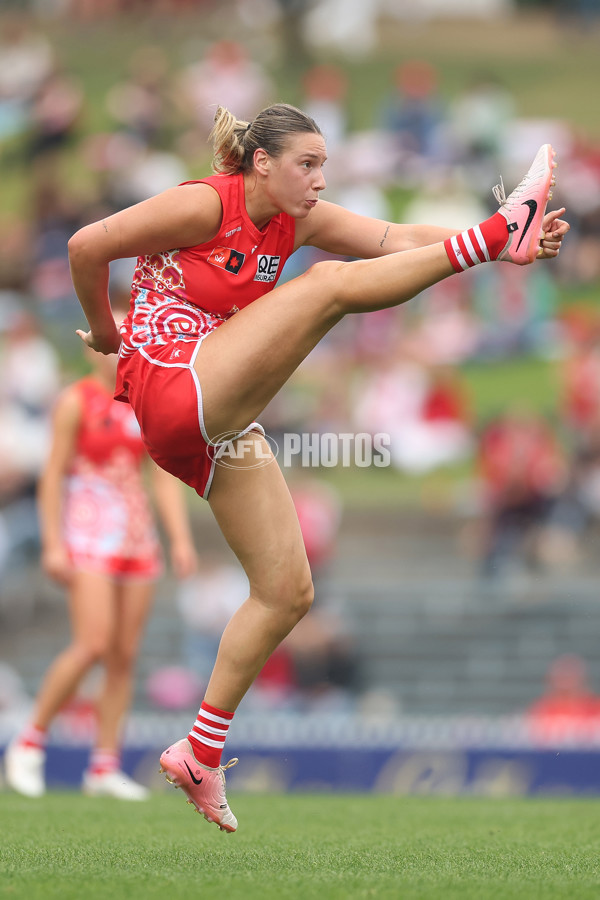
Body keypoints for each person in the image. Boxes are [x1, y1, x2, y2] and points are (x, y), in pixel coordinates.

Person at [66, 103, 569, 831]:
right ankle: (501, 226)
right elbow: (86, 245)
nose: (320, 180)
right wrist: (109, 332)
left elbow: (397, 238)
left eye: (326, 166)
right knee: (328, 287)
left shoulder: (296, 221)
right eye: (308, 164)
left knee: (286, 592)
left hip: (210, 421)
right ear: (261, 163)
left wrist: (499, 253)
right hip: (170, 387)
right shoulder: (207, 201)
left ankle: (201, 752)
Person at [4, 320, 198, 800]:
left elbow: (162, 474)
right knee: (91, 642)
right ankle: (29, 742)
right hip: (89, 531)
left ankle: (103, 765)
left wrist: (179, 537)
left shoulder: (144, 402)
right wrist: (52, 542)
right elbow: (52, 476)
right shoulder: (77, 401)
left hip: (136, 535)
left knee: (123, 655)